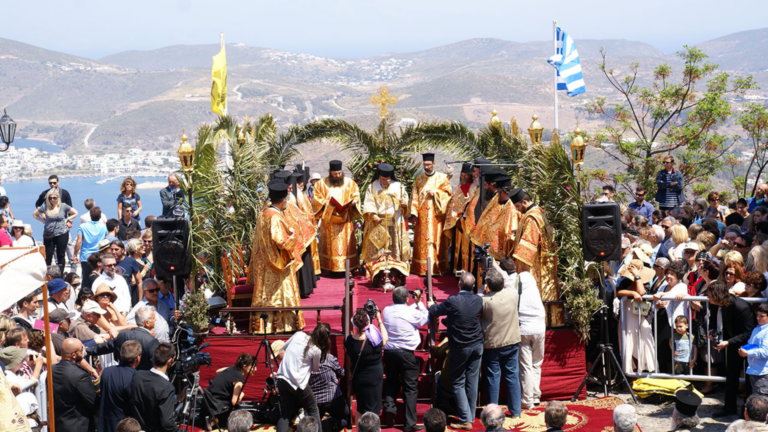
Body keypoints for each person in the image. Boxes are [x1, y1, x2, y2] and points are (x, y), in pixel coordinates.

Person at [429, 272, 483, 430]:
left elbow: (435, 311)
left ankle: (466, 419)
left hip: (460, 347)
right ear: (473, 286)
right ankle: (470, 416)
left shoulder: (453, 300)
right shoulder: (478, 300)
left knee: (458, 382)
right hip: (477, 345)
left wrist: (430, 303)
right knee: (472, 381)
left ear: (459, 284)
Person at [248, 181, 305, 333]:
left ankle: (261, 325)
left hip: (263, 263)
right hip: (276, 266)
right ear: (283, 200)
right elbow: (281, 241)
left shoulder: (263, 213)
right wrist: (292, 236)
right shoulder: (275, 217)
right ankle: (284, 326)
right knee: (281, 294)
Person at [510, 188, 562, 327]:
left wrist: (522, 271)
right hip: (545, 261)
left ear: (524, 202)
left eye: (518, 206)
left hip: (535, 263)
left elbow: (529, 245)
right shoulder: (540, 212)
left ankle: (540, 323)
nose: (517, 210)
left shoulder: (531, 218)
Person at [382, 286, 428, 431]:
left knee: (391, 381)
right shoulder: (410, 311)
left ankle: (389, 409)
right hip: (407, 354)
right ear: (407, 299)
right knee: (410, 388)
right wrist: (419, 302)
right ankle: (409, 423)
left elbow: (404, 312)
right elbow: (424, 318)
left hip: (390, 353)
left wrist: (414, 303)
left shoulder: (386, 310)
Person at [709, 280, 758, 417]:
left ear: (717, 296)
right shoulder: (715, 305)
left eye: (710, 295)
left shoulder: (741, 307)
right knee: (731, 375)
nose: (707, 297)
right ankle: (729, 408)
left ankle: (748, 411)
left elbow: (749, 332)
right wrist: (712, 331)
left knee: (749, 378)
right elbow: (713, 320)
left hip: (749, 344)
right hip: (731, 341)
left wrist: (728, 342)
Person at [361, 163, 411, 283]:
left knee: (394, 247)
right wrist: (373, 215)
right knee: (377, 248)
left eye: (387, 179)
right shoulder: (372, 186)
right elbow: (368, 203)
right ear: (379, 176)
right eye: (383, 179)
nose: (385, 181)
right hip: (377, 222)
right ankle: (375, 270)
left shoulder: (398, 186)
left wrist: (404, 203)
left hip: (394, 222)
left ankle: (396, 270)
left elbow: (406, 203)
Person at [480, 268, 521, 416]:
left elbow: (478, 299)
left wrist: (482, 288)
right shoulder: (512, 294)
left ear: (488, 285)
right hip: (511, 342)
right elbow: (508, 281)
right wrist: (497, 267)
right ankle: (516, 410)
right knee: (512, 377)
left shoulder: (484, 301)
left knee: (493, 379)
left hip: (493, 345)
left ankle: (492, 413)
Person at [274, 326, 330, 432]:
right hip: (297, 383)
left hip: (282, 377)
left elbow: (283, 348)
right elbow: (315, 369)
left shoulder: (298, 334)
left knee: (285, 413)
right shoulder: (316, 349)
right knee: (313, 409)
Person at [311, 160, 361, 272]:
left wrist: (354, 202)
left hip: (345, 221)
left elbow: (356, 195)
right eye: (335, 174)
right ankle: (329, 267)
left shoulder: (350, 183)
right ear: (329, 172)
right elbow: (316, 199)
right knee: (330, 245)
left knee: (345, 244)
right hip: (329, 221)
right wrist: (327, 204)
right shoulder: (321, 184)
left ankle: (347, 266)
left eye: (339, 173)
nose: (337, 176)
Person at [409, 153, 453, 275]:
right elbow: (414, 197)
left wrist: (437, 193)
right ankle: (420, 268)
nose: (426, 167)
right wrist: (414, 215)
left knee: (435, 241)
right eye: (424, 165)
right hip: (422, 216)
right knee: (422, 242)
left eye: (428, 164)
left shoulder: (442, 178)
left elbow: (449, 195)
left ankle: (437, 268)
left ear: (434, 164)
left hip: (436, 216)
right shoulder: (419, 179)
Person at [345, 309, 388, 424]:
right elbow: (385, 339)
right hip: (374, 377)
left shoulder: (349, 341)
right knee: (374, 410)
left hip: (359, 378)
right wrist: (379, 320)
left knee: (360, 408)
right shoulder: (375, 340)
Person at [88, 306, 160, 371]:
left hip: (123, 377)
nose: (156, 319)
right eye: (153, 318)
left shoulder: (123, 335)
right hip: (142, 381)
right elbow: (157, 366)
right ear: (147, 323)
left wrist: (87, 350)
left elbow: (106, 347)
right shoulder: (152, 341)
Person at [308, 324, 349, 432]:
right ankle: (328, 424)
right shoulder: (329, 359)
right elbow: (342, 373)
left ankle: (319, 424)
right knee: (346, 418)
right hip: (333, 400)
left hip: (314, 401)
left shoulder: (306, 360)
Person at [52, 338, 98, 432]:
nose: (83, 351)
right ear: (73, 355)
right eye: (81, 350)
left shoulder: (52, 370)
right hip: (79, 426)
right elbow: (94, 403)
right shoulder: (80, 376)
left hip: (59, 425)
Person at [130, 342, 177, 432]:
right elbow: (167, 423)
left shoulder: (137, 375)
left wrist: (177, 398)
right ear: (169, 361)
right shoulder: (167, 387)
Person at [470, 179, 520, 263]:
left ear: (502, 192)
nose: (497, 196)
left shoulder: (510, 207)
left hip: (503, 252)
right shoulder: (506, 204)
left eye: (498, 193)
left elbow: (509, 230)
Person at [203, 353, 257, 428]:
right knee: (237, 412)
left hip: (207, 399)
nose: (255, 369)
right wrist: (241, 395)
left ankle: (212, 417)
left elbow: (217, 371)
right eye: (253, 367)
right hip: (217, 405)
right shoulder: (239, 380)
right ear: (244, 367)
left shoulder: (232, 368)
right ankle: (216, 419)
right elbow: (234, 402)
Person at [99, 340, 141, 432]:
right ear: (137, 358)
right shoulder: (135, 378)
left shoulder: (106, 372)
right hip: (123, 427)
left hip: (105, 425)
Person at [33, 188, 78, 273]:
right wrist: (43, 221)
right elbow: (35, 214)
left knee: (61, 255)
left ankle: (60, 274)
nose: (52, 200)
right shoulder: (45, 206)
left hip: (62, 233)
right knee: (48, 255)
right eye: (50, 198)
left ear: (58, 198)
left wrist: (68, 219)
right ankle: (49, 274)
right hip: (49, 234)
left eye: (54, 198)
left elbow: (75, 212)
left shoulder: (63, 206)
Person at [442, 162, 474, 274]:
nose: (464, 178)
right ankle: (456, 269)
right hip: (456, 222)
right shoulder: (459, 187)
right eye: (462, 176)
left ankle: (464, 272)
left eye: (466, 176)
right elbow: (454, 203)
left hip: (466, 223)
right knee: (457, 248)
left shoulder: (474, 188)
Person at [740, 303, 768, 397]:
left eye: (762, 316)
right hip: (754, 370)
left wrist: (747, 353)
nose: (758, 318)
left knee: (762, 401)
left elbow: (765, 352)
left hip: (763, 373)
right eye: (757, 315)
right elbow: (751, 344)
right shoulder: (756, 329)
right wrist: (744, 349)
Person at [74, 206, 108, 276]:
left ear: (90, 216)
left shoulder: (82, 226)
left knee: (86, 280)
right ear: (100, 216)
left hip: (85, 257)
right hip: (99, 256)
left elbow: (79, 241)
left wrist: (75, 254)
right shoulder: (104, 227)